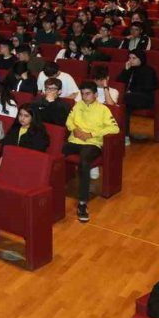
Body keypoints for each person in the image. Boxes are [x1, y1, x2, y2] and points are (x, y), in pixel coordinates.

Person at [63, 81, 120, 223]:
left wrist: (91, 134)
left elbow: (114, 128)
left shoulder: (103, 109)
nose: (84, 97)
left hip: (92, 144)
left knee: (84, 162)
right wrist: (74, 129)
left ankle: (82, 203)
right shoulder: (78, 105)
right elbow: (69, 121)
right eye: (82, 94)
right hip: (75, 141)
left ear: (95, 94)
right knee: (54, 154)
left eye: (88, 94)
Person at [117, 49, 158, 144]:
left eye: (134, 58)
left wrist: (132, 91)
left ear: (141, 59)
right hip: (130, 99)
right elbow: (119, 82)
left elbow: (148, 87)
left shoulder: (148, 70)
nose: (130, 60)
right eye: (129, 58)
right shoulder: (130, 69)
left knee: (124, 99)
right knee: (124, 108)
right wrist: (125, 70)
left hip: (146, 98)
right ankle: (125, 136)